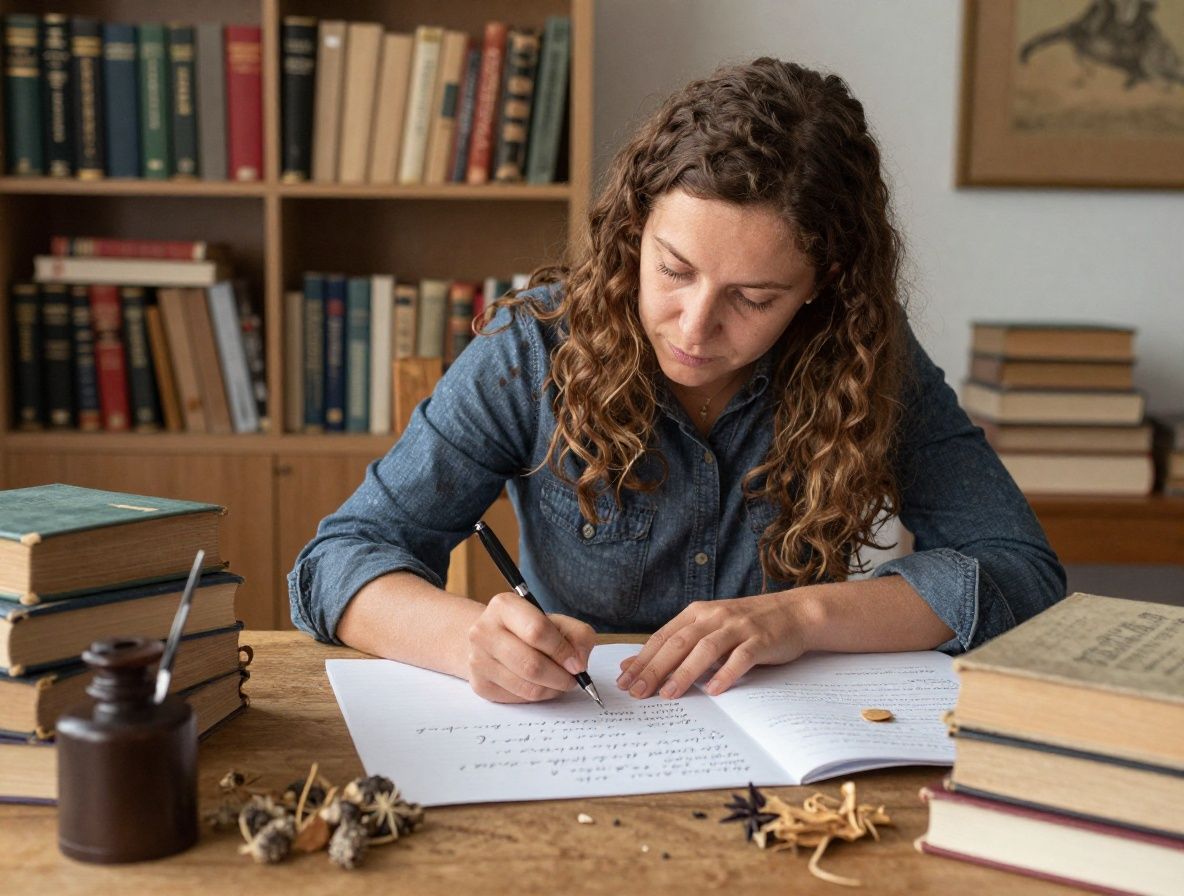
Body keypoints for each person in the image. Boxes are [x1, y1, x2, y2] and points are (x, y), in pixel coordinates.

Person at [289, 58, 1065, 705]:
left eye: (753, 299)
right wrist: (471, 642)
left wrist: (799, 618)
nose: (694, 329)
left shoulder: (865, 354)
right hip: (582, 731)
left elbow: (1022, 572)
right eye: (673, 270)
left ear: (822, 282)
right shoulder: (537, 349)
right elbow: (336, 562)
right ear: (636, 227)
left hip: (790, 747)